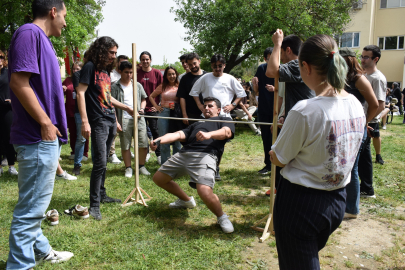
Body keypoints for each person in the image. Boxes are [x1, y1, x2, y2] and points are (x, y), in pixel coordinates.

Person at [270, 33, 365, 270]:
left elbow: (279, 159)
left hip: (301, 204)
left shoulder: (305, 110)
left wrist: (274, 152)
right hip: (336, 201)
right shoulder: (354, 102)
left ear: (305, 66)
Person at [6, 0, 74, 268]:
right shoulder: (29, 33)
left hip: (44, 136)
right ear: (53, 12)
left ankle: (41, 250)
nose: (65, 22)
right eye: (64, 16)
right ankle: (20, 265)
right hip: (37, 136)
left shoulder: (41, 39)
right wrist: (46, 123)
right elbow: (18, 82)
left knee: (34, 204)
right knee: (30, 210)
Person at [151, 97, 235, 233]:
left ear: (218, 110)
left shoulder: (224, 120)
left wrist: (209, 135)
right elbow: (178, 134)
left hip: (206, 155)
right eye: (205, 106)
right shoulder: (196, 125)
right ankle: (186, 200)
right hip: (184, 154)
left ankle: (222, 217)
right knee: (158, 179)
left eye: (210, 106)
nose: (206, 108)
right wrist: (159, 140)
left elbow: (226, 133)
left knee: (204, 190)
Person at [76, 36, 134, 220]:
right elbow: (80, 92)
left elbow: (107, 98)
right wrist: (85, 121)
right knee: (99, 162)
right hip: (98, 121)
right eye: (111, 52)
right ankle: (94, 205)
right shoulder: (89, 67)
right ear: (101, 50)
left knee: (105, 162)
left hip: (110, 119)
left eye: (116, 53)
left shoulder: (105, 72)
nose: (114, 56)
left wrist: (123, 109)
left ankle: (102, 194)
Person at [190, 54, 246, 180]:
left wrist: (232, 105)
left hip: (223, 116)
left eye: (220, 66)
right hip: (207, 115)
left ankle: (216, 168)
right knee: (203, 141)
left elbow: (241, 94)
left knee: (219, 143)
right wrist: (200, 105)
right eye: (215, 66)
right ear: (211, 66)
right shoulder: (205, 78)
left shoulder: (230, 78)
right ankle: (203, 167)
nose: (217, 68)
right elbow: (194, 92)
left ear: (224, 65)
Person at [338, 47, 378, 219]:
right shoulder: (340, 78)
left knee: (352, 168)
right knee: (343, 165)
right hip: (342, 127)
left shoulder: (359, 79)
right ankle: (344, 203)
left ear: (347, 60)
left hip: (355, 128)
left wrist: (364, 122)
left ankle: (352, 209)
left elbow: (375, 105)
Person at [111, 61, 150, 177]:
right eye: (126, 72)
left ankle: (141, 166)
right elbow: (111, 105)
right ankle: (128, 168)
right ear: (120, 72)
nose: (129, 75)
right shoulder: (114, 87)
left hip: (139, 119)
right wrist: (116, 121)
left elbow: (144, 99)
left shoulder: (137, 85)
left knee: (143, 143)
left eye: (131, 72)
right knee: (125, 145)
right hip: (124, 119)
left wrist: (142, 109)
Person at [358, 45, 387, 198]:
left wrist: (366, 122)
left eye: (366, 57)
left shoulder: (378, 78)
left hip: (369, 121)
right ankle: (364, 186)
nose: (362, 59)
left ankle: (367, 188)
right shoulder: (363, 74)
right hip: (362, 120)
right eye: (362, 56)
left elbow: (380, 105)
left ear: (375, 59)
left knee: (364, 156)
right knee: (361, 155)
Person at [149, 66, 183, 164]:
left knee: (177, 139)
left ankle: (177, 163)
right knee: (164, 139)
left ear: (176, 74)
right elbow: (151, 96)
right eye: (169, 74)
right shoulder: (162, 86)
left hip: (176, 114)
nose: (172, 76)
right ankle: (165, 164)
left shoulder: (179, 85)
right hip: (164, 113)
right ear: (166, 76)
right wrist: (157, 106)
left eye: (173, 74)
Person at [251, 47, 275, 174]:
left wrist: (275, 88)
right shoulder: (261, 68)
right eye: (268, 58)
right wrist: (255, 86)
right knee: (266, 138)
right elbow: (257, 91)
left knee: (278, 138)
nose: (270, 61)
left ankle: (279, 166)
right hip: (264, 109)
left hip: (278, 110)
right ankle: (268, 165)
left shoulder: (282, 69)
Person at [137, 51, 163, 164]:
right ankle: (146, 153)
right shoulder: (136, 73)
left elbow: (163, 90)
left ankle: (159, 154)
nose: (145, 61)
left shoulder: (157, 73)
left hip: (153, 109)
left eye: (147, 59)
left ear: (150, 60)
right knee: (142, 133)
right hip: (140, 109)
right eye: (143, 59)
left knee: (155, 131)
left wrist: (159, 106)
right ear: (140, 61)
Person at [108, 54, 130, 164]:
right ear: (117, 63)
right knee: (114, 131)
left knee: (126, 130)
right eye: (121, 62)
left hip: (125, 106)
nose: (123, 64)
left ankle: (126, 152)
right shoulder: (111, 74)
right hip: (113, 105)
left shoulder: (128, 73)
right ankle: (112, 154)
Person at [176, 52, 207, 125]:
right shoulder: (184, 78)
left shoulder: (207, 76)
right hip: (191, 114)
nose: (193, 66)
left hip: (207, 112)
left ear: (199, 61)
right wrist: (184, 115)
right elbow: (182, 97)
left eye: (194, 63)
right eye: (190, 64)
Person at [0, 50, 18, 176]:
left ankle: (11, 166)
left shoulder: (8, 72)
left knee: (9, 137)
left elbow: (17, 87)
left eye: (0, 57)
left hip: (7, 110)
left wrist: (14, 100)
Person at [62, 61, 83, 160]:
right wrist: (62, 89)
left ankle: (84, 153)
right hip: (70, 110)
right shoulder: (67, 80)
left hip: (81, 110)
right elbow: (59, 93)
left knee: (82, 133)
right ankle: (74, 152)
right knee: (73, 132)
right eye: (74, 69)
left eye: (77, 69)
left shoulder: (83, 80)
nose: (75, 71)